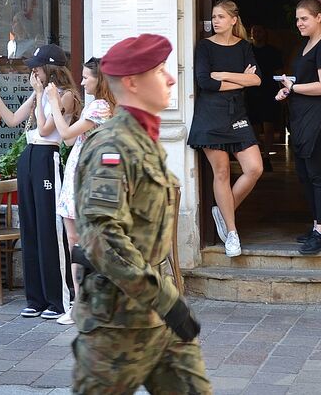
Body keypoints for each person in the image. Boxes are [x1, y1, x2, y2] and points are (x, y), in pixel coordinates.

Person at [72, 34, 210, 394]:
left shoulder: (144, 140)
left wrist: (166, 303)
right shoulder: (112, 146)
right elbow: (104, 236)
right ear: (132, 83)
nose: (170, 78)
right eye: (160, 70)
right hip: (116, 322)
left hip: (155, 315)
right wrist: (167, 300)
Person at [0, 44, 78, 320]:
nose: (33, 72)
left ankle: (57, 299)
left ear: (51, 70)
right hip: (29, 156)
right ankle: (36, 298)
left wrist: (42, 95)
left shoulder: (65, 96)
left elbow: (44, 129)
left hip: (46, 157)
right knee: (29, 227)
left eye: (38, 68)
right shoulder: (39, 93)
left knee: (48, 228)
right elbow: (13, 119)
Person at [187, 0, 263, 258]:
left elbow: (256, 80)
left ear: (233, 20)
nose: (216, 21)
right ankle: (232, 233)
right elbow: (204, 82)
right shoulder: (205, 47)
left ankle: (222, 209)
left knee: (254, 168)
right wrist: (237, 79)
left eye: (220, 17)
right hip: (210, 116)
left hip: (237, 115)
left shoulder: (244, 47)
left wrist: (223, 74)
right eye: (214, 17)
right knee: (221, 173)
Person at [45, 56, 114, 325]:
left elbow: (64, 136)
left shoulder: (100, 106)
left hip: (84, 178)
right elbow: (72, 137)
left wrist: (53, 102)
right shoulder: (97, 106)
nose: (82, 81)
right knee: (77, 242)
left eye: (87, 77)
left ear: (101, 79)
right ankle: (80, 301)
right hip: (80, 174)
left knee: (83, 243)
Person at [276, 0, 321, 256]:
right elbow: (303, 82)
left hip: (319, 116)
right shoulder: (307, 44)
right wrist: (288, 90)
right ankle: (316, 227)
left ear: (318, 17)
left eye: (304, 18)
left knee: (319, 174)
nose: (299, 23)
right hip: (303, 117)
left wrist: (294, 88)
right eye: (297, 19)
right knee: (305, 174)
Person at [246, 24, 284, 171]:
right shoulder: (247, 50)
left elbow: (280, 72)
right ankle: (257, 156)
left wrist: (283, 92)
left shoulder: (273, 52)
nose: (256, 33)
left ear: (265, 33)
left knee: (269, 126)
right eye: (254, 31)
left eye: (259, 31)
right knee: (254, 126)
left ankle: (266, 156)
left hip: (270, 92)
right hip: (251, 92)